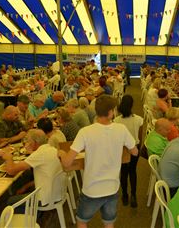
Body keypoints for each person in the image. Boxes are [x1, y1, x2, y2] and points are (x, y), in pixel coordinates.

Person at [58, 95, 138, 228]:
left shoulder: (85, 132)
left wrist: (61, 153)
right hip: (112, 187)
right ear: (112, 112)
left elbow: (66, 163)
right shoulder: (121, 129)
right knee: (109, 223)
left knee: (82, 220)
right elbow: (135, 152)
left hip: (91, 189)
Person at [2, 129, 63, 207]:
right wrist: (26, 186)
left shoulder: (39, 154)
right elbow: (46, 176)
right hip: (56, 192)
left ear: (34, 143)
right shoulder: (51, 149)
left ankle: (33, 216)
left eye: (28, 141)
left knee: (9, 202)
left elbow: (11, 171)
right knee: (26, 177)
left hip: (45, 199)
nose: (26, 143)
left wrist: (8, 157)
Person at [114, 95, 143, 207]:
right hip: (134, 148)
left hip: (122, 150)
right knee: (132, 171)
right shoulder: (139, 119)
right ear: (132, 105)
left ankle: (125, 195)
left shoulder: (116, 121)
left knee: (124, 172)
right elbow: (140, 137)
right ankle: (134, 195)